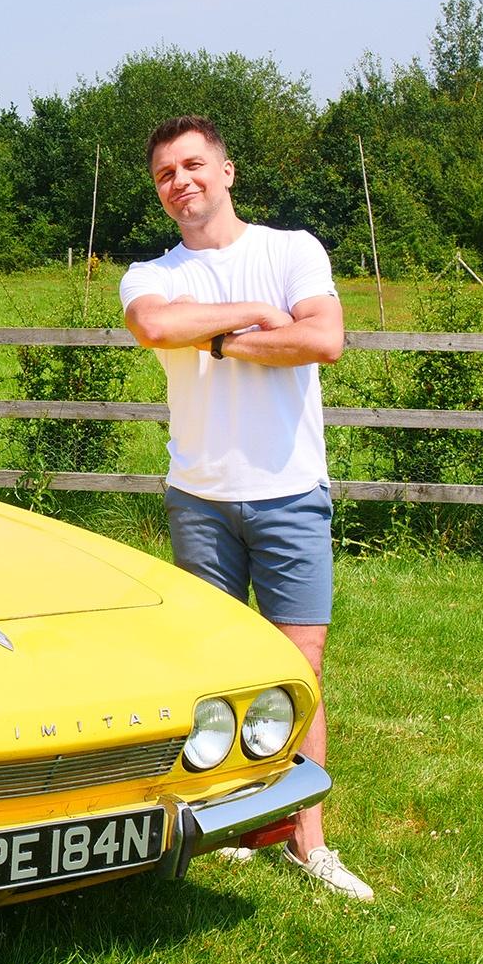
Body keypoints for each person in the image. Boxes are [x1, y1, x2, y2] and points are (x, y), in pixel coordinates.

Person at [118, 114, 372, 901]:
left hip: (289, 491)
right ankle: (230, 822)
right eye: (166, 174)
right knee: (216, 671)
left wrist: (218, 341)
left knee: (299, 668)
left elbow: (322, 340)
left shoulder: (292, 250)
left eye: (193, 165)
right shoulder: (151, 272)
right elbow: (154, 325)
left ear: (226, 171)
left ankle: (306, 840)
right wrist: (258, 315)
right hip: (200, 497)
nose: (181, 182)